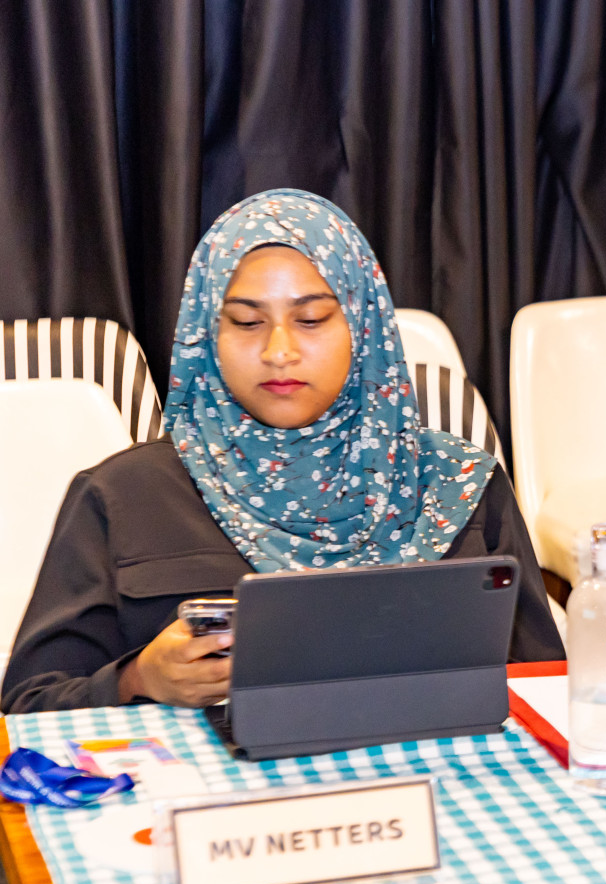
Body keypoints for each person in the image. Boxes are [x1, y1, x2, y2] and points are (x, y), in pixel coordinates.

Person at [3, 190, 562, 713]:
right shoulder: (123, 495)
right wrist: (137, 680)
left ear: (364, 328)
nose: (278, 351)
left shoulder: (457, 483)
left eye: (312, 319)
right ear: (205, 333)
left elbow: (546, 684)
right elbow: (28, 704)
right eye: (247, 322)